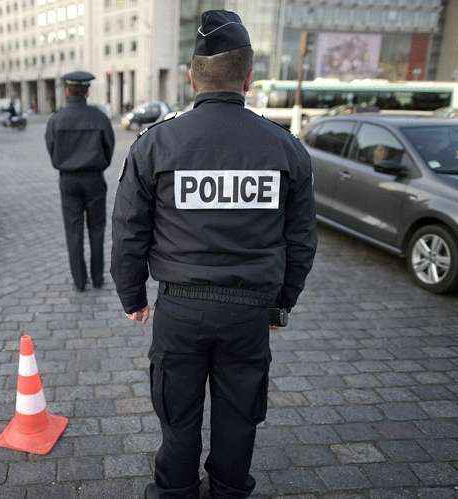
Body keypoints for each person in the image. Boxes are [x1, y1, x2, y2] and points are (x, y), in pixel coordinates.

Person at [110, 10, 317, 499]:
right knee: (238, 415)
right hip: (248, 311)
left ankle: (176, 491)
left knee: (177, 415)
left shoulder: (155, 144)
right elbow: (302, 241)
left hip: (180, 308)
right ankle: (227, 490)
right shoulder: (285, 149)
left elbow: (129, 231)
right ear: (249, 78)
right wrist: (281, 303)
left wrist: (131, 296)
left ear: (191, 77)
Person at [46, 71, 116, 291]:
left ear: (67, 91)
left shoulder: (56, 119)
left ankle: (79, 281)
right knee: (97, 229)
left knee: (73, 231)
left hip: (68, 180)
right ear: (87, 91)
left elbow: (51, 148)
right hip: (94, 179)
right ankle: (97, 278)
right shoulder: (99, 117)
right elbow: (109, 147)